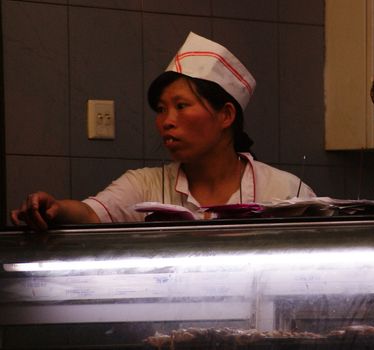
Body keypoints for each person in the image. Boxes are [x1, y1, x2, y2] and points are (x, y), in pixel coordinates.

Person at [10, 31, 315, 231]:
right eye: (161, 109)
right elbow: (91, 214)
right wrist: (54, 208)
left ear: (226, 115)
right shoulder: (144, 185)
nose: (167, 120)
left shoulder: (287, 192)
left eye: (181, 106)